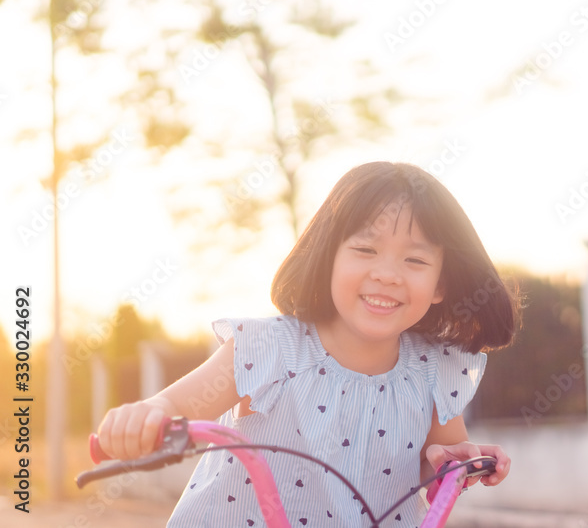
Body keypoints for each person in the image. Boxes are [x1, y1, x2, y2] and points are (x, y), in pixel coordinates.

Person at [97, 162, 521, 526]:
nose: (388, 274)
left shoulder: (435, 370)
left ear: (440, 284)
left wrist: (458, 461)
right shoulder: (268, 347)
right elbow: (174, 408)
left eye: (414, 260)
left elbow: (440, 458)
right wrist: (143, 419)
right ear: (328, 258)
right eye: (365, 249)